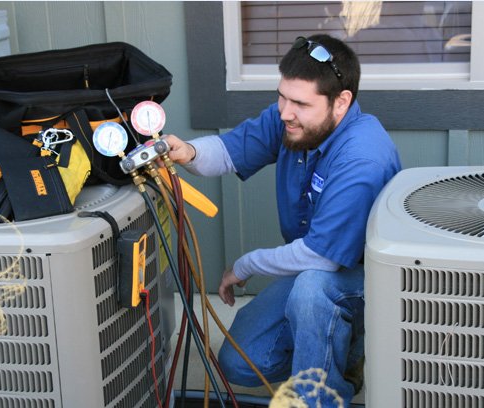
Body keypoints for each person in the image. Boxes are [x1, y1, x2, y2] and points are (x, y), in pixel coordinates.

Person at [165, 34, 401, 406]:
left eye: (300, 103)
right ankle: (336, 352)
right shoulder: (295, 120)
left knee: (311, 290)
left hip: (366, 278)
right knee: (239, 363)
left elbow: (321, 259)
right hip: (315, 266)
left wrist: (245, 265)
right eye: (282, 96)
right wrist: (188, 151)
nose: (285, 111)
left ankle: (319, 395)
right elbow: (228, 151)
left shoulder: (362, 158)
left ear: (342, 102)